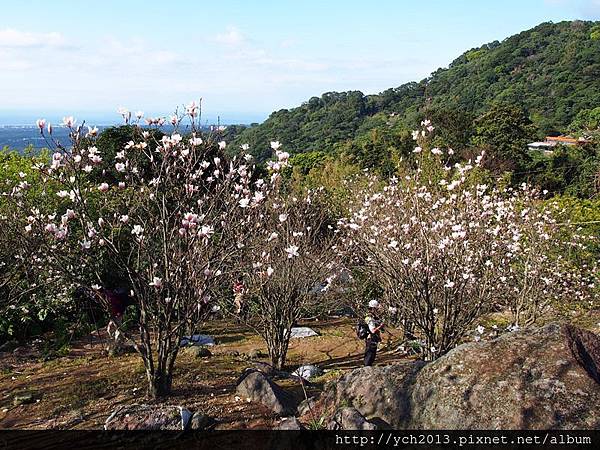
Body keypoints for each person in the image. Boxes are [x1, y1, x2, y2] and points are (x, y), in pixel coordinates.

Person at [103, 287, 130, 354]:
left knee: (118, 330)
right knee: (111, 329)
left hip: (118, 314)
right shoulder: (108, 296)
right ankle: (113, 346)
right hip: (115, 315)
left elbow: (117, 306)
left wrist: (118, 313)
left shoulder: (111, 297)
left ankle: (119, 347)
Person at [364, 299, 384, 366]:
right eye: (376, 309)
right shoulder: (369, 318)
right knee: (369, 357)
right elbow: (373, 330)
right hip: (371, 339)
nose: (377, 310)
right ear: (373, 308)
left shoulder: (374, 317)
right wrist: (380, 326)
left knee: (372, 356)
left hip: (374, 339)